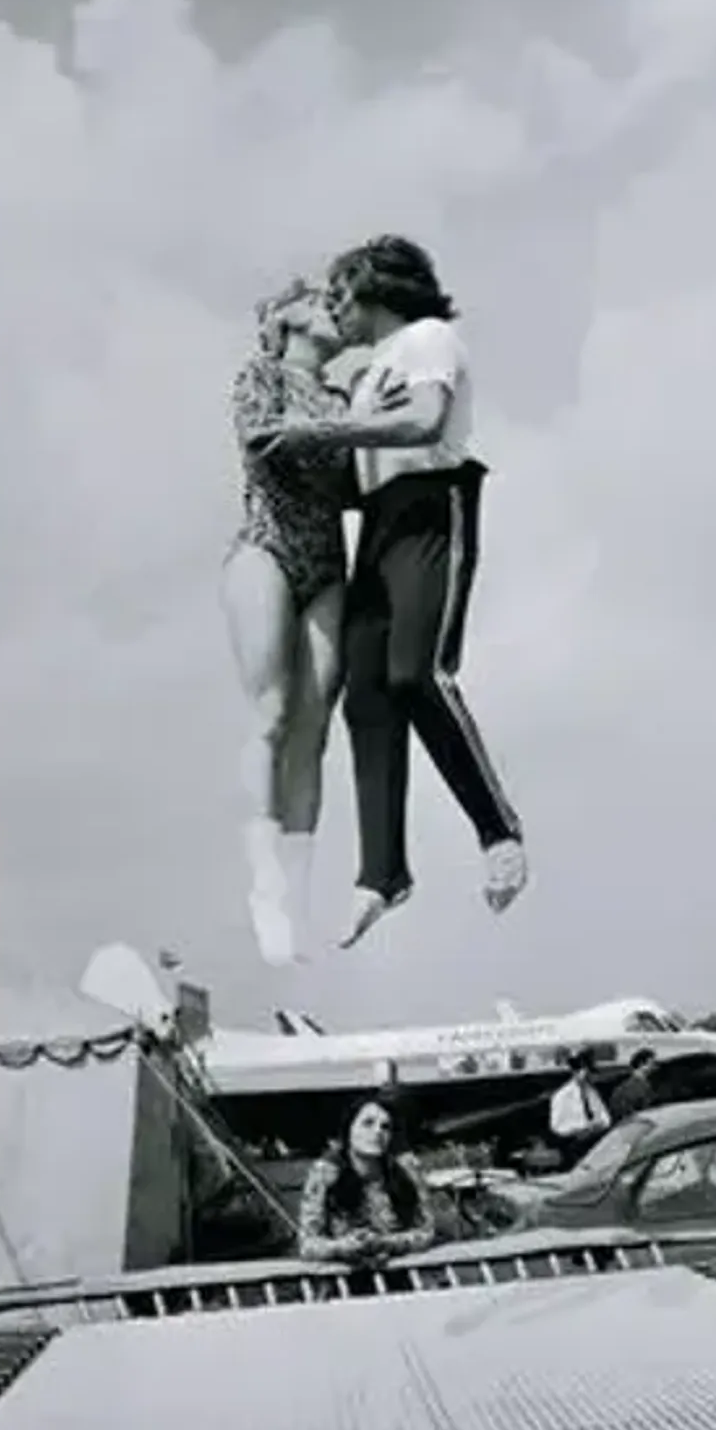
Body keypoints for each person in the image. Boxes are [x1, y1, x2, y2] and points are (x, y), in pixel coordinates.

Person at [258, 235, 528, 948]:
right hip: (379, 523)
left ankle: (497, 830)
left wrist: (322, 430)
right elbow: (356, 469)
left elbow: (424, 420)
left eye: (342, 295)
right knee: (368, 696)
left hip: (434, 508)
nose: (337, 310)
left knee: (416, 673)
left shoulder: (426, 339)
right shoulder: (371, 371)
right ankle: (383, 872)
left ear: (375, 291)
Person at [222, 278, 357, 968]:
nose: (332, 308)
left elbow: (364, 481)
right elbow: (262, 441)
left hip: (327, 562)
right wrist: (344, 438)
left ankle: (296, 903)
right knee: (272, 714)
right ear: (285, 318)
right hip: (268, 546)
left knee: (314, 732)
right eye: (316, 299)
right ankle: (263, 878)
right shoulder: (262, 374)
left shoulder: (344, 397)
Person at [296, 1097, 437, 1277]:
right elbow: (307, 1245)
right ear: (349, 1130)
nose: (377, 1132)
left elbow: (427, 1232)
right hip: (341, 1279)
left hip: (400, 1274)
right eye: (368, 1124)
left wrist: (386, 1243)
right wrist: (341, 1247)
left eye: (385, 1127)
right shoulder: (325, 1173)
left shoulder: (405, 1169)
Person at [548, 1049, 611, 1168]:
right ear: (577, 1072)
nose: (589, 1077)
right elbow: (556, 1126)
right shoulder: (562, 1096)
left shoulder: (591, 1093)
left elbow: (605, 1117)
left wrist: (597, 1125)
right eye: (586, 1073)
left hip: (593, 1141)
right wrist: (579, 1129)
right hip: (573, 1146)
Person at [608, 1049, 656, 1123]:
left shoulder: (626, 1086)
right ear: (641, 1064)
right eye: (651, 1063)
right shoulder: (634, 1086)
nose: (654, 1066)